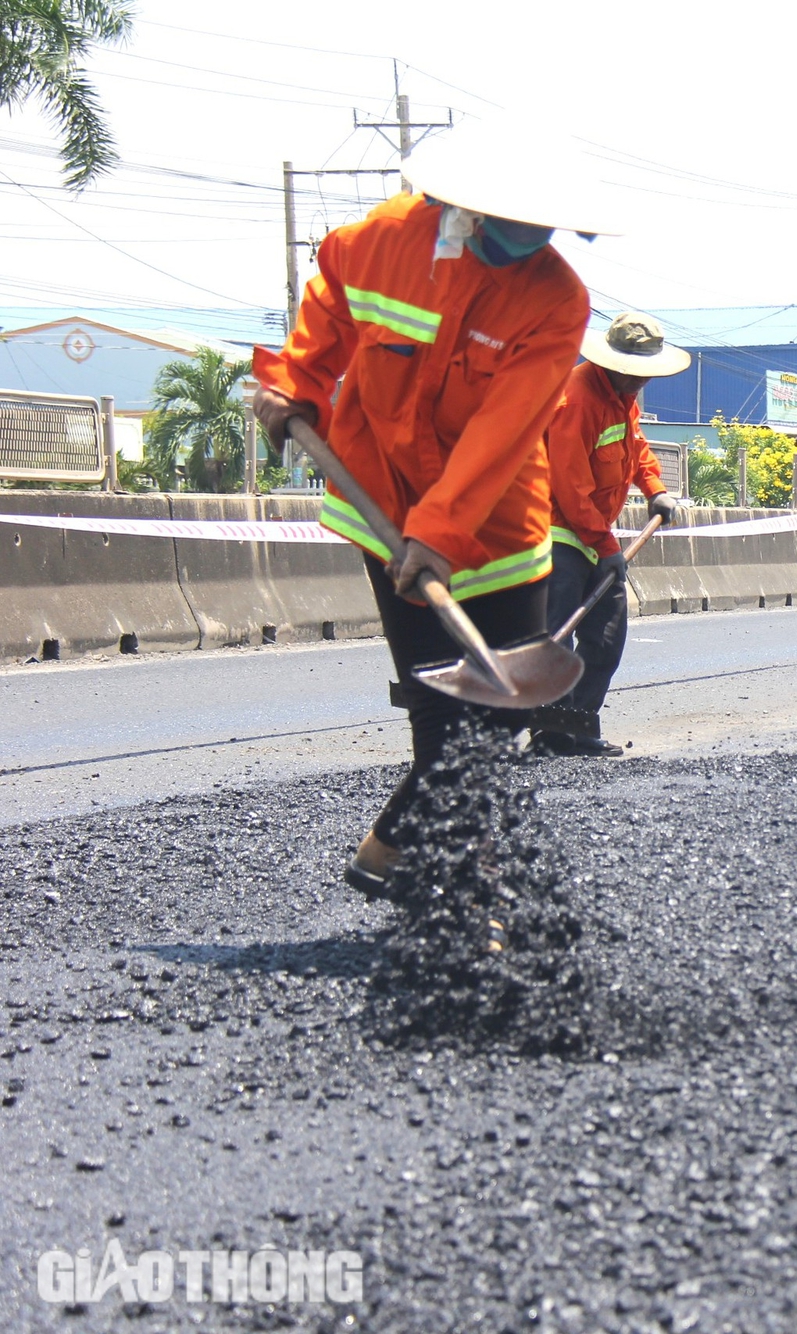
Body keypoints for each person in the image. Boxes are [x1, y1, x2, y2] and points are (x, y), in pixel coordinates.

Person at [250, 125, 617, 896]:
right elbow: (324, 327)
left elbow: (503, 430)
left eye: (545, 226)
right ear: (467, 208)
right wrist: (296, 386)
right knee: (436, 708)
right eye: (518, 222)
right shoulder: (375, 244)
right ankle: (461, 889)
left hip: (499, 526)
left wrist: (442, 532)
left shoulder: (556, 301)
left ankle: (394, 850)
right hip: (381, 506)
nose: (533, 239)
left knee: (499, 717)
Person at [533, 312, 691, 756]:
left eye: (647, 373)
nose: (641, 380)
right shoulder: (576, 401)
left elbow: (636, 448)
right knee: (557, 638)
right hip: (557, 535)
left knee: (605, 637)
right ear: (611, 363)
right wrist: (606, 548)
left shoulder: (623, 398)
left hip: (594, 535)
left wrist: (655, 490)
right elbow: (570, 486)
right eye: (634, 372)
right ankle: (550, 733)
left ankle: (578, 728)